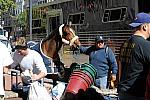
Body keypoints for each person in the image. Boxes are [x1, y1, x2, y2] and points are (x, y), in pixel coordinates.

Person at [117, 12, 150, 100]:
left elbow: (119, 66)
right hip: (137, 93)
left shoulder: (124, 43)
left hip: (123, 92)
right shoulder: (145, 45)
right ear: (145, 27)